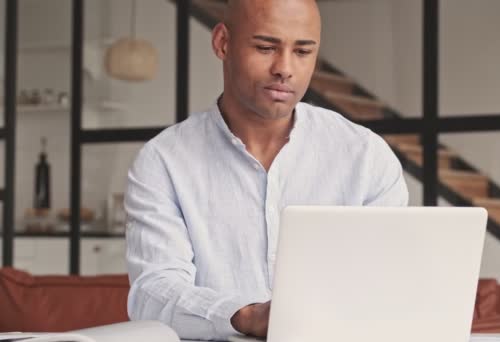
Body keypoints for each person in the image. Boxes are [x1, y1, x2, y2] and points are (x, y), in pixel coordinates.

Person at [124, 0, 408, 340]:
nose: (285, 68)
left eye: (303, 52)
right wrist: (244, 316)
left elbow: (391, 281)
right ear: (222, 43)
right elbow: (154, 294)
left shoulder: (365, 156)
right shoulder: (163, 162)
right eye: (265, 47)